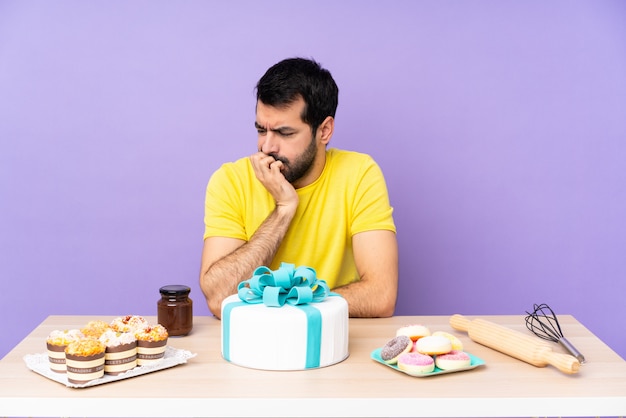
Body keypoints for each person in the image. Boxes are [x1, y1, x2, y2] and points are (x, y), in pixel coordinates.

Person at [199, 57, 398, 319]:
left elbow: (381, 296)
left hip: (334, 341)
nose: (267, 146)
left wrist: (291, 309)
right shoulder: (230, 181)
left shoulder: (359, 174)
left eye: (284, 133)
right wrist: (283, 210)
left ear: (324, 131)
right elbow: (218, 297)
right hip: (254, 343)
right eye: (261, 130)